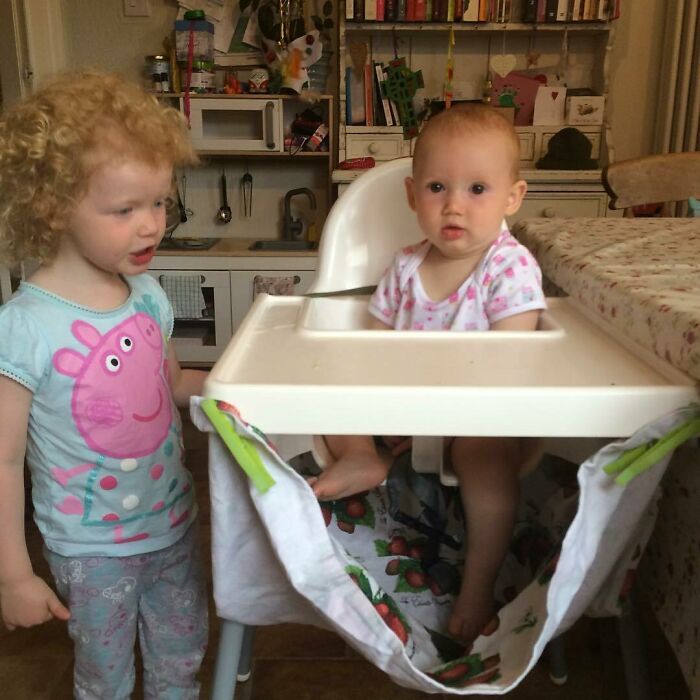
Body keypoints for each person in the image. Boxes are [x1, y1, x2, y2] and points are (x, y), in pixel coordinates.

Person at [0, 70, 209, 698]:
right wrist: (14, 574)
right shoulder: (24, 328)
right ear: (54, 206)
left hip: (173, 524)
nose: (151, 225)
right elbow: (5, 460)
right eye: (125, 210)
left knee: (181, 657)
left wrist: (234, 382)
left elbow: (169, 382)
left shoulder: (145, 297)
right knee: (105, 676)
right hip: (91, 552)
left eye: (158, 203)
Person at [308, 104, 546, 647]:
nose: (454, 205)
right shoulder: (405, 267)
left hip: (478, 415)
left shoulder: (508, 267)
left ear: (512, 198)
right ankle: (362, 453)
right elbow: (372, 348)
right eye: (438, 187)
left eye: (478, 189)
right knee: (331, 396)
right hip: (405, 406)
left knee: (485, 461)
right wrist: (367, 401)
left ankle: (477, 586)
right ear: (414, 196)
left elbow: (514, 359)